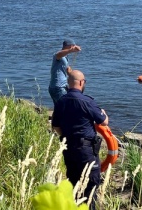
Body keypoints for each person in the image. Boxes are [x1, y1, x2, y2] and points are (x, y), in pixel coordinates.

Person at [51, 69, 109, 209]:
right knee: (90, 185)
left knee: (73, 182)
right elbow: (103, 122)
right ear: (81, 83)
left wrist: (68, 136)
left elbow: (56, 127)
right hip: (86, 151)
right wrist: (105, 114)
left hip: (68, 149)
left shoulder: (60, 102)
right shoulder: (87, 101)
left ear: (68, 84)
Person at [48, 38, 81, 105]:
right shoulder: (58, 55)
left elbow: (68, 70)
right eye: (73, 46)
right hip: (58, 87)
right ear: (70, 46)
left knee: (59, 109)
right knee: (65, 109)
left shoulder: (65, 57)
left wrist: (77, 78)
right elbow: (58, 54)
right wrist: (71, 50)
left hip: (61, 87)